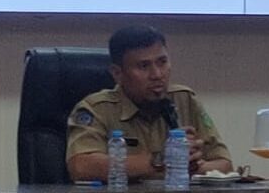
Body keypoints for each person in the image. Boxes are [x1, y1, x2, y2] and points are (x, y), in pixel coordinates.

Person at [66, 25, 233, 181]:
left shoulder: (184, 99)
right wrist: (160, 160)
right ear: (117, 73)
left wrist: (188, 166)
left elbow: (224, 164)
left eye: (162, 62)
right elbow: (81, 166)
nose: (157, 75)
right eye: (144, 66)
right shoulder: (96, 109)